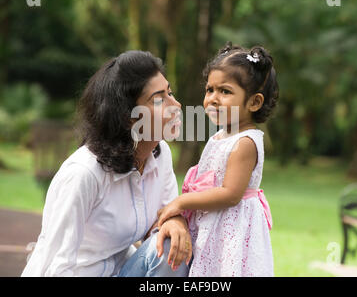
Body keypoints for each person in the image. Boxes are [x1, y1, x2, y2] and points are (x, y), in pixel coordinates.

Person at [21, 50, 192, 277]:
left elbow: (163, 217)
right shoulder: (83, 174)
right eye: (160, 99)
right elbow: (57, 266)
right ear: (128, 116)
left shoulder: (160, 156)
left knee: (170, 244)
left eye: (170, 93)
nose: (176, 105)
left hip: (122, 271)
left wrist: (175, 222)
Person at [157, 42, 279, 276]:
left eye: (225, 91)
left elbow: (230, 194)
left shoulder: (245, 142)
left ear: (254, 102)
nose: (213, 98)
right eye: (209, 89)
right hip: (214, 222)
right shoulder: (221, 137)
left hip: (232, 227)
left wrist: (183, 201)